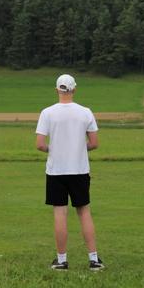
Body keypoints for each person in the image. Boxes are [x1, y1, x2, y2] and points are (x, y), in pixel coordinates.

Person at [36, 74, 104, 271]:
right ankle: (94, 259)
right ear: (74, 89)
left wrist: (55, 149)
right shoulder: (85, 112)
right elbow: (94, 143)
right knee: (84, 211)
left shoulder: (47, 113)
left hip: (56, 171)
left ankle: (61, 260)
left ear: (57, 89)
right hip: (79, 170)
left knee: (60, 212)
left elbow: (40, 144)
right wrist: (78, 149)